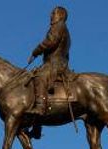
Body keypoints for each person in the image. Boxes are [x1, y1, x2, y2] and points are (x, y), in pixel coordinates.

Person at [26, 6, 71, 138]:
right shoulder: (63, 28)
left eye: (53, 13)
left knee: (39, 77)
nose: (51, 15)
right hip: (57, 63)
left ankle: (40, 107)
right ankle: (36, 127)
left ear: (60, 15)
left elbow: (50, 41)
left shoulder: (59, 26)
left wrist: (36, 51)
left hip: (55, 64)